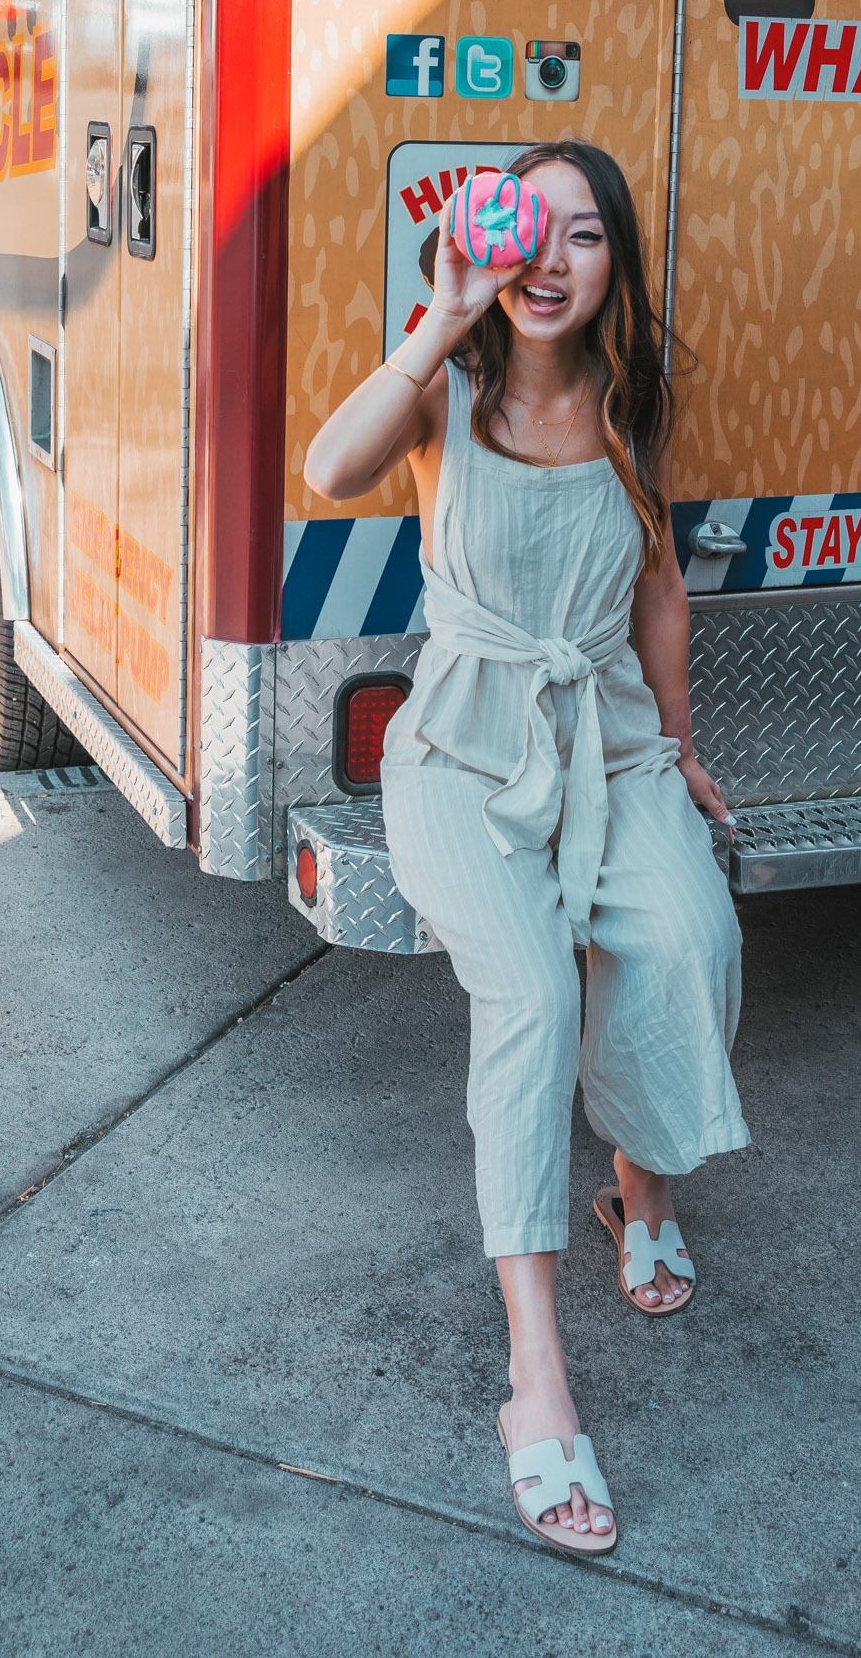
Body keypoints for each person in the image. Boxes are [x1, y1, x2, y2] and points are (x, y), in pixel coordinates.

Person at [304, 140, 748, 1556]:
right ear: (483, 245)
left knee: (681, 939)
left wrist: (676, 745)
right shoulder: (449, 386)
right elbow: (324, 465)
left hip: (608, 746)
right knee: (534, 997)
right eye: (523, 233)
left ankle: (639, 1189)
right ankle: (536, 1382)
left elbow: (661, 584)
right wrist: (437, 315)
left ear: (617, 261)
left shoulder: (636, 404)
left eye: (584, 237)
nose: (549, 262)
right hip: (461, 757)